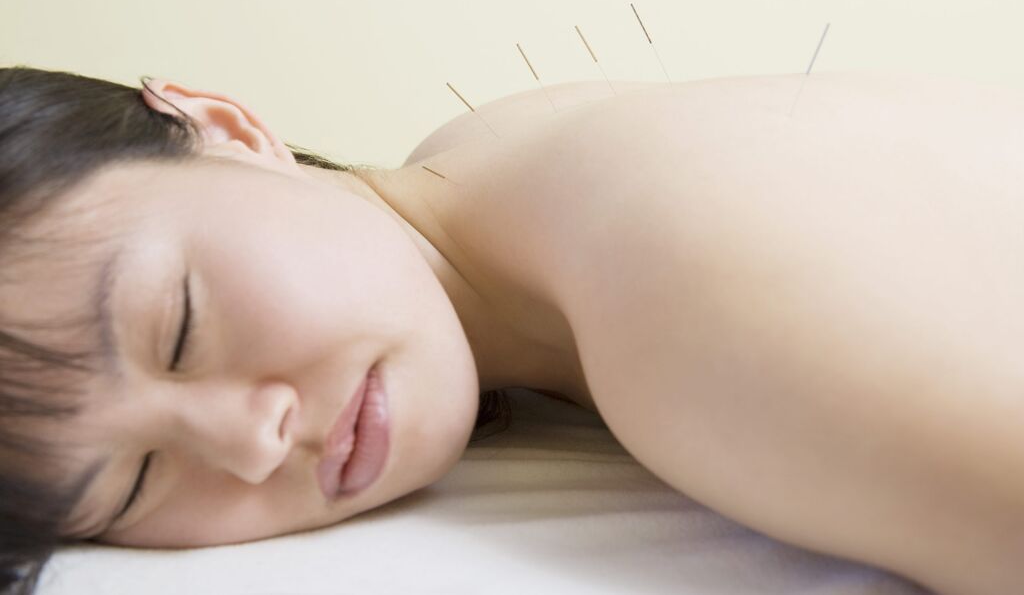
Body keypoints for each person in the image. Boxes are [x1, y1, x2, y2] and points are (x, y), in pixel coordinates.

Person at [1, 66, 1022, 595]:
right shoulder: (475, 156)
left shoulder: (676, 303)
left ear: (222, 126)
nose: (250, 437)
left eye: (180, 327)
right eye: (135, 480)